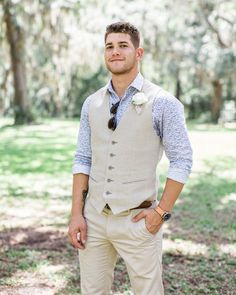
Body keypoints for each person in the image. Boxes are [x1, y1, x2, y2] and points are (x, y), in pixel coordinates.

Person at [68, 21, 193, 295]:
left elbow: (182, 159)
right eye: (109, 46)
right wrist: (77, 214)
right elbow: (83, 159)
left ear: (139, 52)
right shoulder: (91, 103)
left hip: (138, 220)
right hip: (94, 219)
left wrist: (160, 213)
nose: (115, 51)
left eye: (123, 45)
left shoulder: (163, 103)